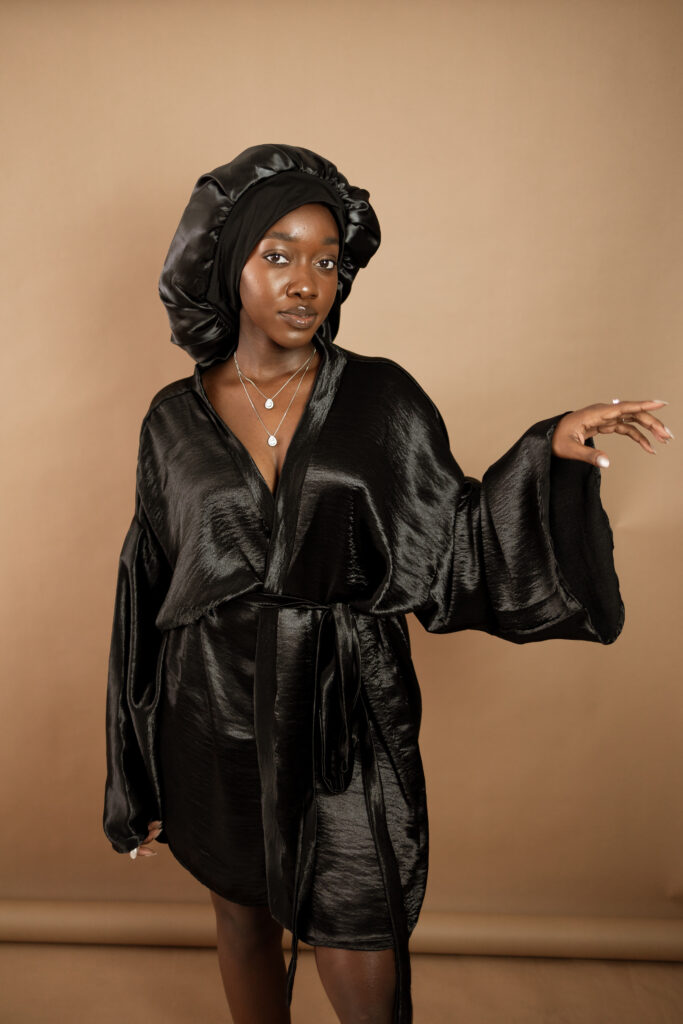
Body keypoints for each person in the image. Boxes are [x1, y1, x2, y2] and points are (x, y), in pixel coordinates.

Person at [103, 144, 672, 1024]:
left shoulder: (378, 399)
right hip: (210, 702)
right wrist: (132, 770)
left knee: (359, 922)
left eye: (327, 262)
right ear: (231, 263)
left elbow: (453, 539)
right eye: (279, 256)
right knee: (240, 911)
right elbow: (146, 587)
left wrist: (549, 450)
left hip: (344, 700)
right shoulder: (171, 421)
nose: (306, 283)